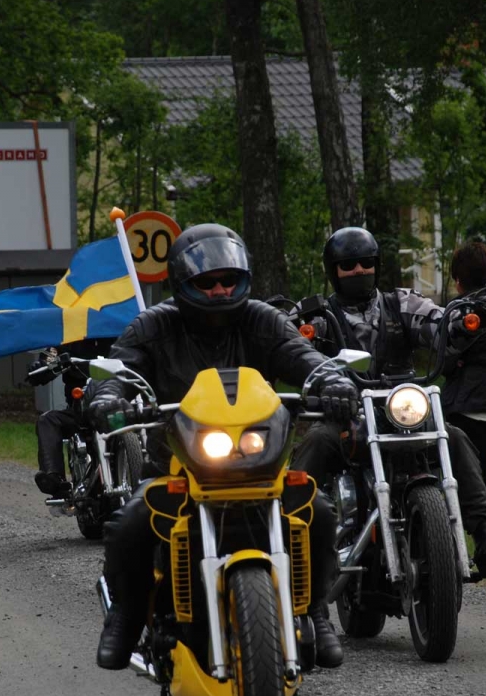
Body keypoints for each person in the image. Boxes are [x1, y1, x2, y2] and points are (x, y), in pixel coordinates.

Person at [89, 223, 360, 671]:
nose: (219, 290)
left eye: (228, 280)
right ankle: (125, 615)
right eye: (207, 282)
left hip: (260, 464)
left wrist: (331, 380)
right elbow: (120, 368)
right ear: (182, 283)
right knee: (129, 524)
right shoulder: (154, 325)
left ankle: (313, 610)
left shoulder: (263, 319)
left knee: (319, 512)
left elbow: (304, 357)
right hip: (176, 465)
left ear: (243, 278)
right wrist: (107, 396)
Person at [290, 226, 486, 580]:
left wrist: (468, 318)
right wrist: (308, 349)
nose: (359, 270)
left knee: (453, 436)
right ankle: (292, 535)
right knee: (316, 440)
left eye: (366, 262)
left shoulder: (401, 303)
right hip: (345, 416)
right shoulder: (320, 315)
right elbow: (294, 349)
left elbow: (438, 322)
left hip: (401, 413)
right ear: (334, 270)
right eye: (349, 264)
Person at [442, 239, 486, 534]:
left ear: (458, 279)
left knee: (474, 472)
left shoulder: (465, 310)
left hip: (469, 400)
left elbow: (447, 355)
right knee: (482, 466)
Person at [27, 338, 113, 498]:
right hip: (81, 412)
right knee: (48, 420)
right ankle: (54, 478)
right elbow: (50, 359)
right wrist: (42, 366)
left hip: (118, 407)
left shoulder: (121, 337)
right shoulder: (68, 339)